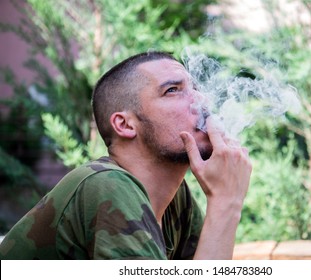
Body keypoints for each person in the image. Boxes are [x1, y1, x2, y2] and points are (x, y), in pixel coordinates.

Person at [0, 51, 252, 260]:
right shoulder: (106, 184)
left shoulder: (177, 201)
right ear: (125, 125)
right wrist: (226, 202)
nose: (201, 101)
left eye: (196, 89)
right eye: (173, 90)